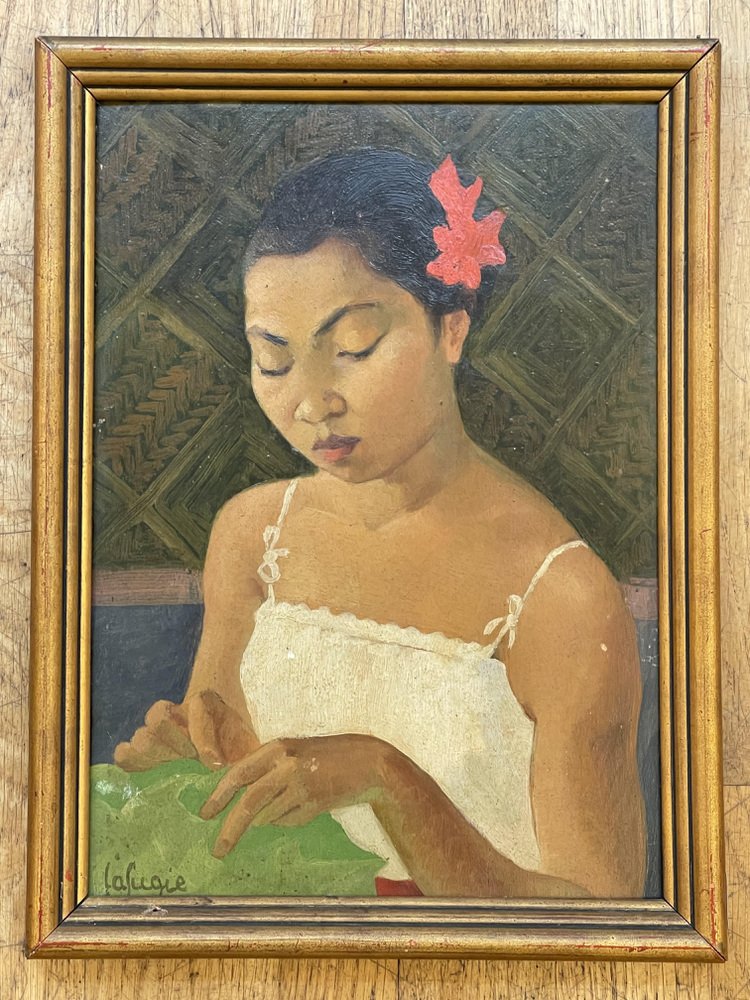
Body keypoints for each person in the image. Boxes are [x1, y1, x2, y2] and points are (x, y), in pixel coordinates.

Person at [114, 149, 646, 899]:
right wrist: (181, 768)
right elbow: (228, 804)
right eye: (274, 360)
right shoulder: (254, 534)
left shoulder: (561, 594)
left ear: (451, 331)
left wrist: (388, 781)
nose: (312, 402)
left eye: (353, 348)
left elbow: (600, 915)